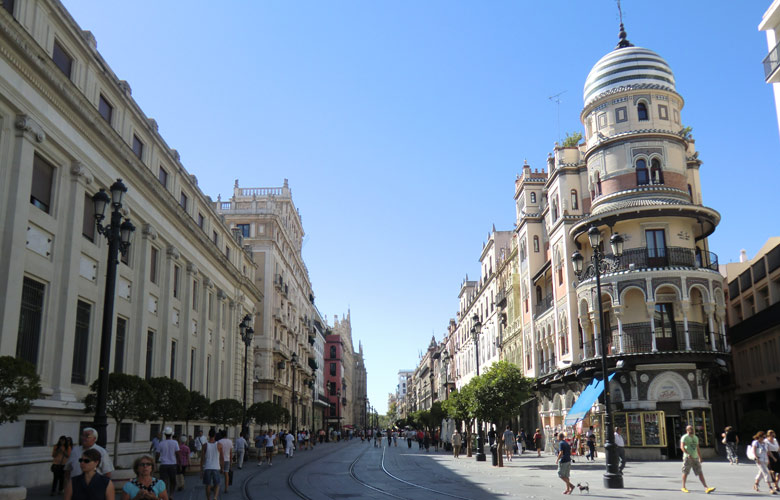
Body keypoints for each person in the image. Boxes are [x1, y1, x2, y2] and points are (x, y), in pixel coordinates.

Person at [680, 425, 715, 494]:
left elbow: (697, 448)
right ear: (687, 430)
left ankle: (706, 488)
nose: (691, 430)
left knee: (700, 472)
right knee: (685, 472)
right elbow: (682, 447)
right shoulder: (684, 437)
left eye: (692, 429)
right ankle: (683, 487)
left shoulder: (695, 437)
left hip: (695, 457)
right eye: (690, 429)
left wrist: (700, 457)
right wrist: (687, 454)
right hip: (688, 458)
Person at [157, 427, 179, 500]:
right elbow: (177, 453)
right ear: (171, 434)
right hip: (172, 464)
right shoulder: (175, 442)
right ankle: (171, 494)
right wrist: (179, 463)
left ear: (165, 434)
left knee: (164, 481)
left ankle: (165, 494)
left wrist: (155, 461)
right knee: (173, 481)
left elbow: (158, 454)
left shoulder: (161, 443)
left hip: (163, 464)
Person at [201, 429, 222, 500]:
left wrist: (201, 470)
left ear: (208, 435)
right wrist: (222, 467)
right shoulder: (219, 445)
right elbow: (221, 458)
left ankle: (208, 498)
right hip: (216, 467)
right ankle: (215, 497)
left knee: (208, 485)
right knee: (217, 484)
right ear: (215, 435)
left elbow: (202, 459)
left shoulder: (205, 445)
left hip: (207, 467)